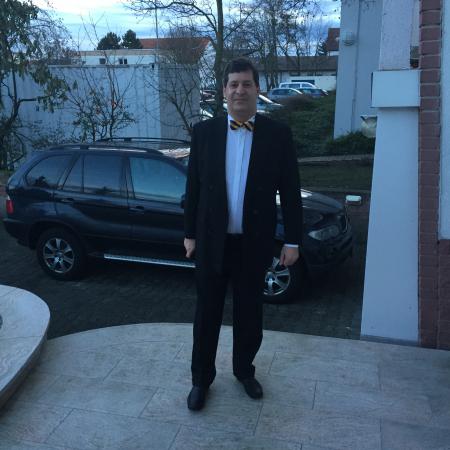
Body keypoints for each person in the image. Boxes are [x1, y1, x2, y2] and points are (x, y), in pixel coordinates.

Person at [184, 57, 302, 411]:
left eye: (246, 84)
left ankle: (244, 372)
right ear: (224, 91)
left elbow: (290, 191)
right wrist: (189, 234)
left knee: (250, 314)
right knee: (207, 314)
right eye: (233, 84)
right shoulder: (203, 133)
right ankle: (201, 380)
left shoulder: (278, 135)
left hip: (254, 243)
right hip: (212, 242)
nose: (239, 90)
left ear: (257, 89)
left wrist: (292, 240)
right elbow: (193, 189)